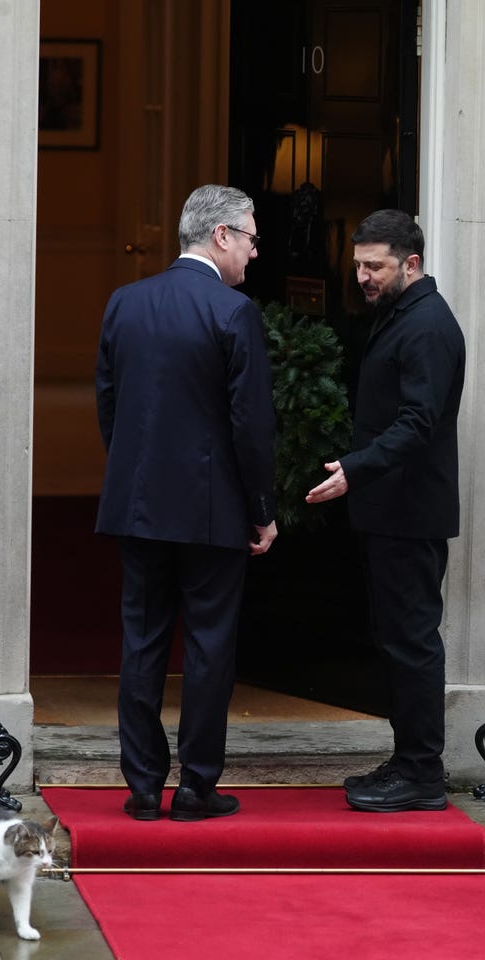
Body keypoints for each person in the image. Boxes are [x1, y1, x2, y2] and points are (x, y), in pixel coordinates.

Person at [95, 184, 278, 822]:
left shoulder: (125, 303)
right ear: (221, 235)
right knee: (208, 647)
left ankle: (143, 785)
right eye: (252, 238)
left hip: (140, 506)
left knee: (142, 642)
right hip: (212, 513)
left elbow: (109, 409)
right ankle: (196, 788)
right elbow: (250, 426)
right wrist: (263, 508)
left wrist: (135, 477)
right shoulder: (234, 313)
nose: (255, 252)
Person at [306, 209, 465, 813]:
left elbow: (419, 421)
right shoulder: (401, 314)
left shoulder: (425, 325)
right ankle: (409, 760)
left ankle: (422, 772)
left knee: (411, 642)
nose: (364, 278)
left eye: (376, 267)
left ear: (412, 264)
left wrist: (357, 468)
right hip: (392, 511)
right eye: (359, 266)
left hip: (408, 513)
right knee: (398, 640)